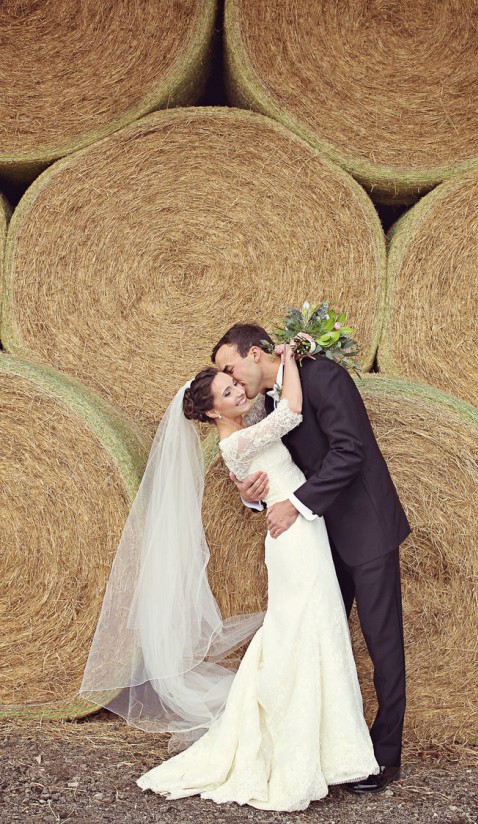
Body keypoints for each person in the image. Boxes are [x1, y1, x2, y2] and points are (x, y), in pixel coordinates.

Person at [81, 344, 378, 812]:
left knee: (308, 630)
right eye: (227, 390)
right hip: (295, 538)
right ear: (209, 410)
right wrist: (291, 358)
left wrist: (250, 492)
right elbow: (294, 411)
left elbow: (265, 466)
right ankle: (297, 748)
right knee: (305, 631)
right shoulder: (236, 441)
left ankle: (322, 747)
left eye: (235, 382)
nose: (239, 390)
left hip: (299, 530)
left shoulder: (242, 433)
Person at [212, 324, 411, 793]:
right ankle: (328, 750)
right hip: (317, 540)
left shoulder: (322, 377)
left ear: (257, 354)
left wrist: (296, 503)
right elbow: (272, 468)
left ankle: (386, 757)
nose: (232, 380)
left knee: (383, 647)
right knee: (319, 645)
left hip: (365, 528)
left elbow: (350, 451)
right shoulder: (268, 402)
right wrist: (252, 494)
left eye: (230, 367)